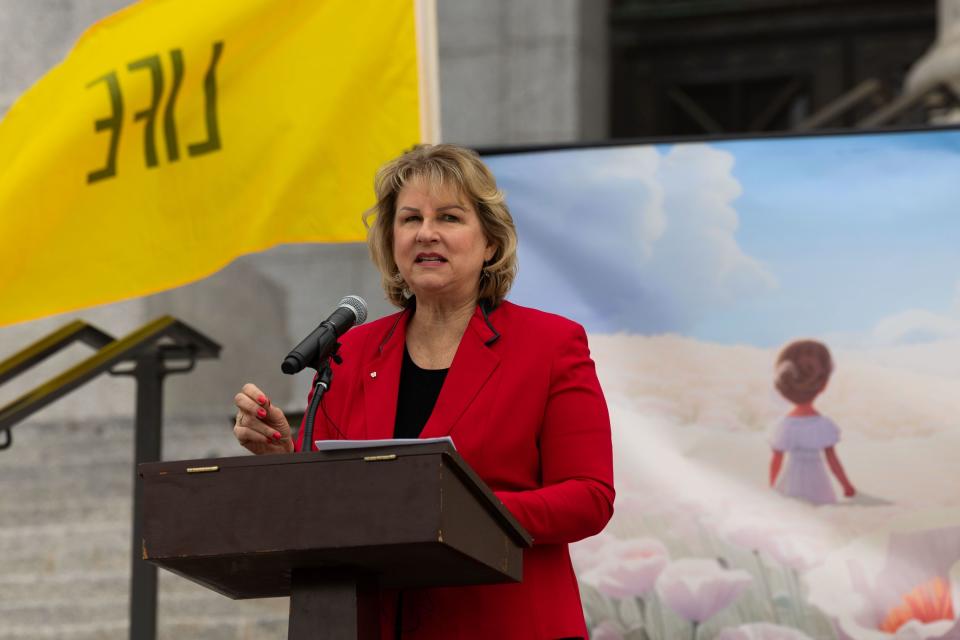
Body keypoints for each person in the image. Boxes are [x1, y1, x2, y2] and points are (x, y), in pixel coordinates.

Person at [233, 144, 615, 639]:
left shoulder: (550, 345)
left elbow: (590, 497)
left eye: (450, 217)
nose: (426, 232)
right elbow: (328, 501)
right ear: (392, 241)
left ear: (491, 245)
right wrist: (284, 456)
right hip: (374, 624)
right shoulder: (350, 352)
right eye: (410, 218)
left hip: (506, 623)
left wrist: (457, 510)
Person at [768, 339, 855, 505]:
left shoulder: (783, 425)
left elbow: (776, 460)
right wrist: (846, 486)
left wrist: (772, 487)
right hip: (818, 482)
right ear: (823, 385)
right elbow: (832, 460)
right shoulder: (822, 425)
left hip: (790, 482)